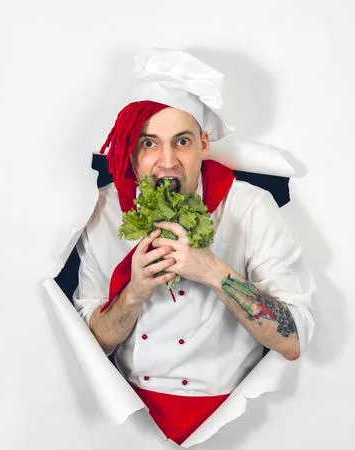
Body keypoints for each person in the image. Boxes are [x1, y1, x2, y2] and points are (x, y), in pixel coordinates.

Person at [72, 49, 316, 445]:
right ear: (131, 150)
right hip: (129, 420)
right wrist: (134, 292)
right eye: (149, 143)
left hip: (233, 421)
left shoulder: (249, 207)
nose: (167, 161)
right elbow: (85, 348)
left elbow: (293, 340)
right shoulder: (104, 211)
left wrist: (213, 272)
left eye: (181, 141)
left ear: (203, 144)